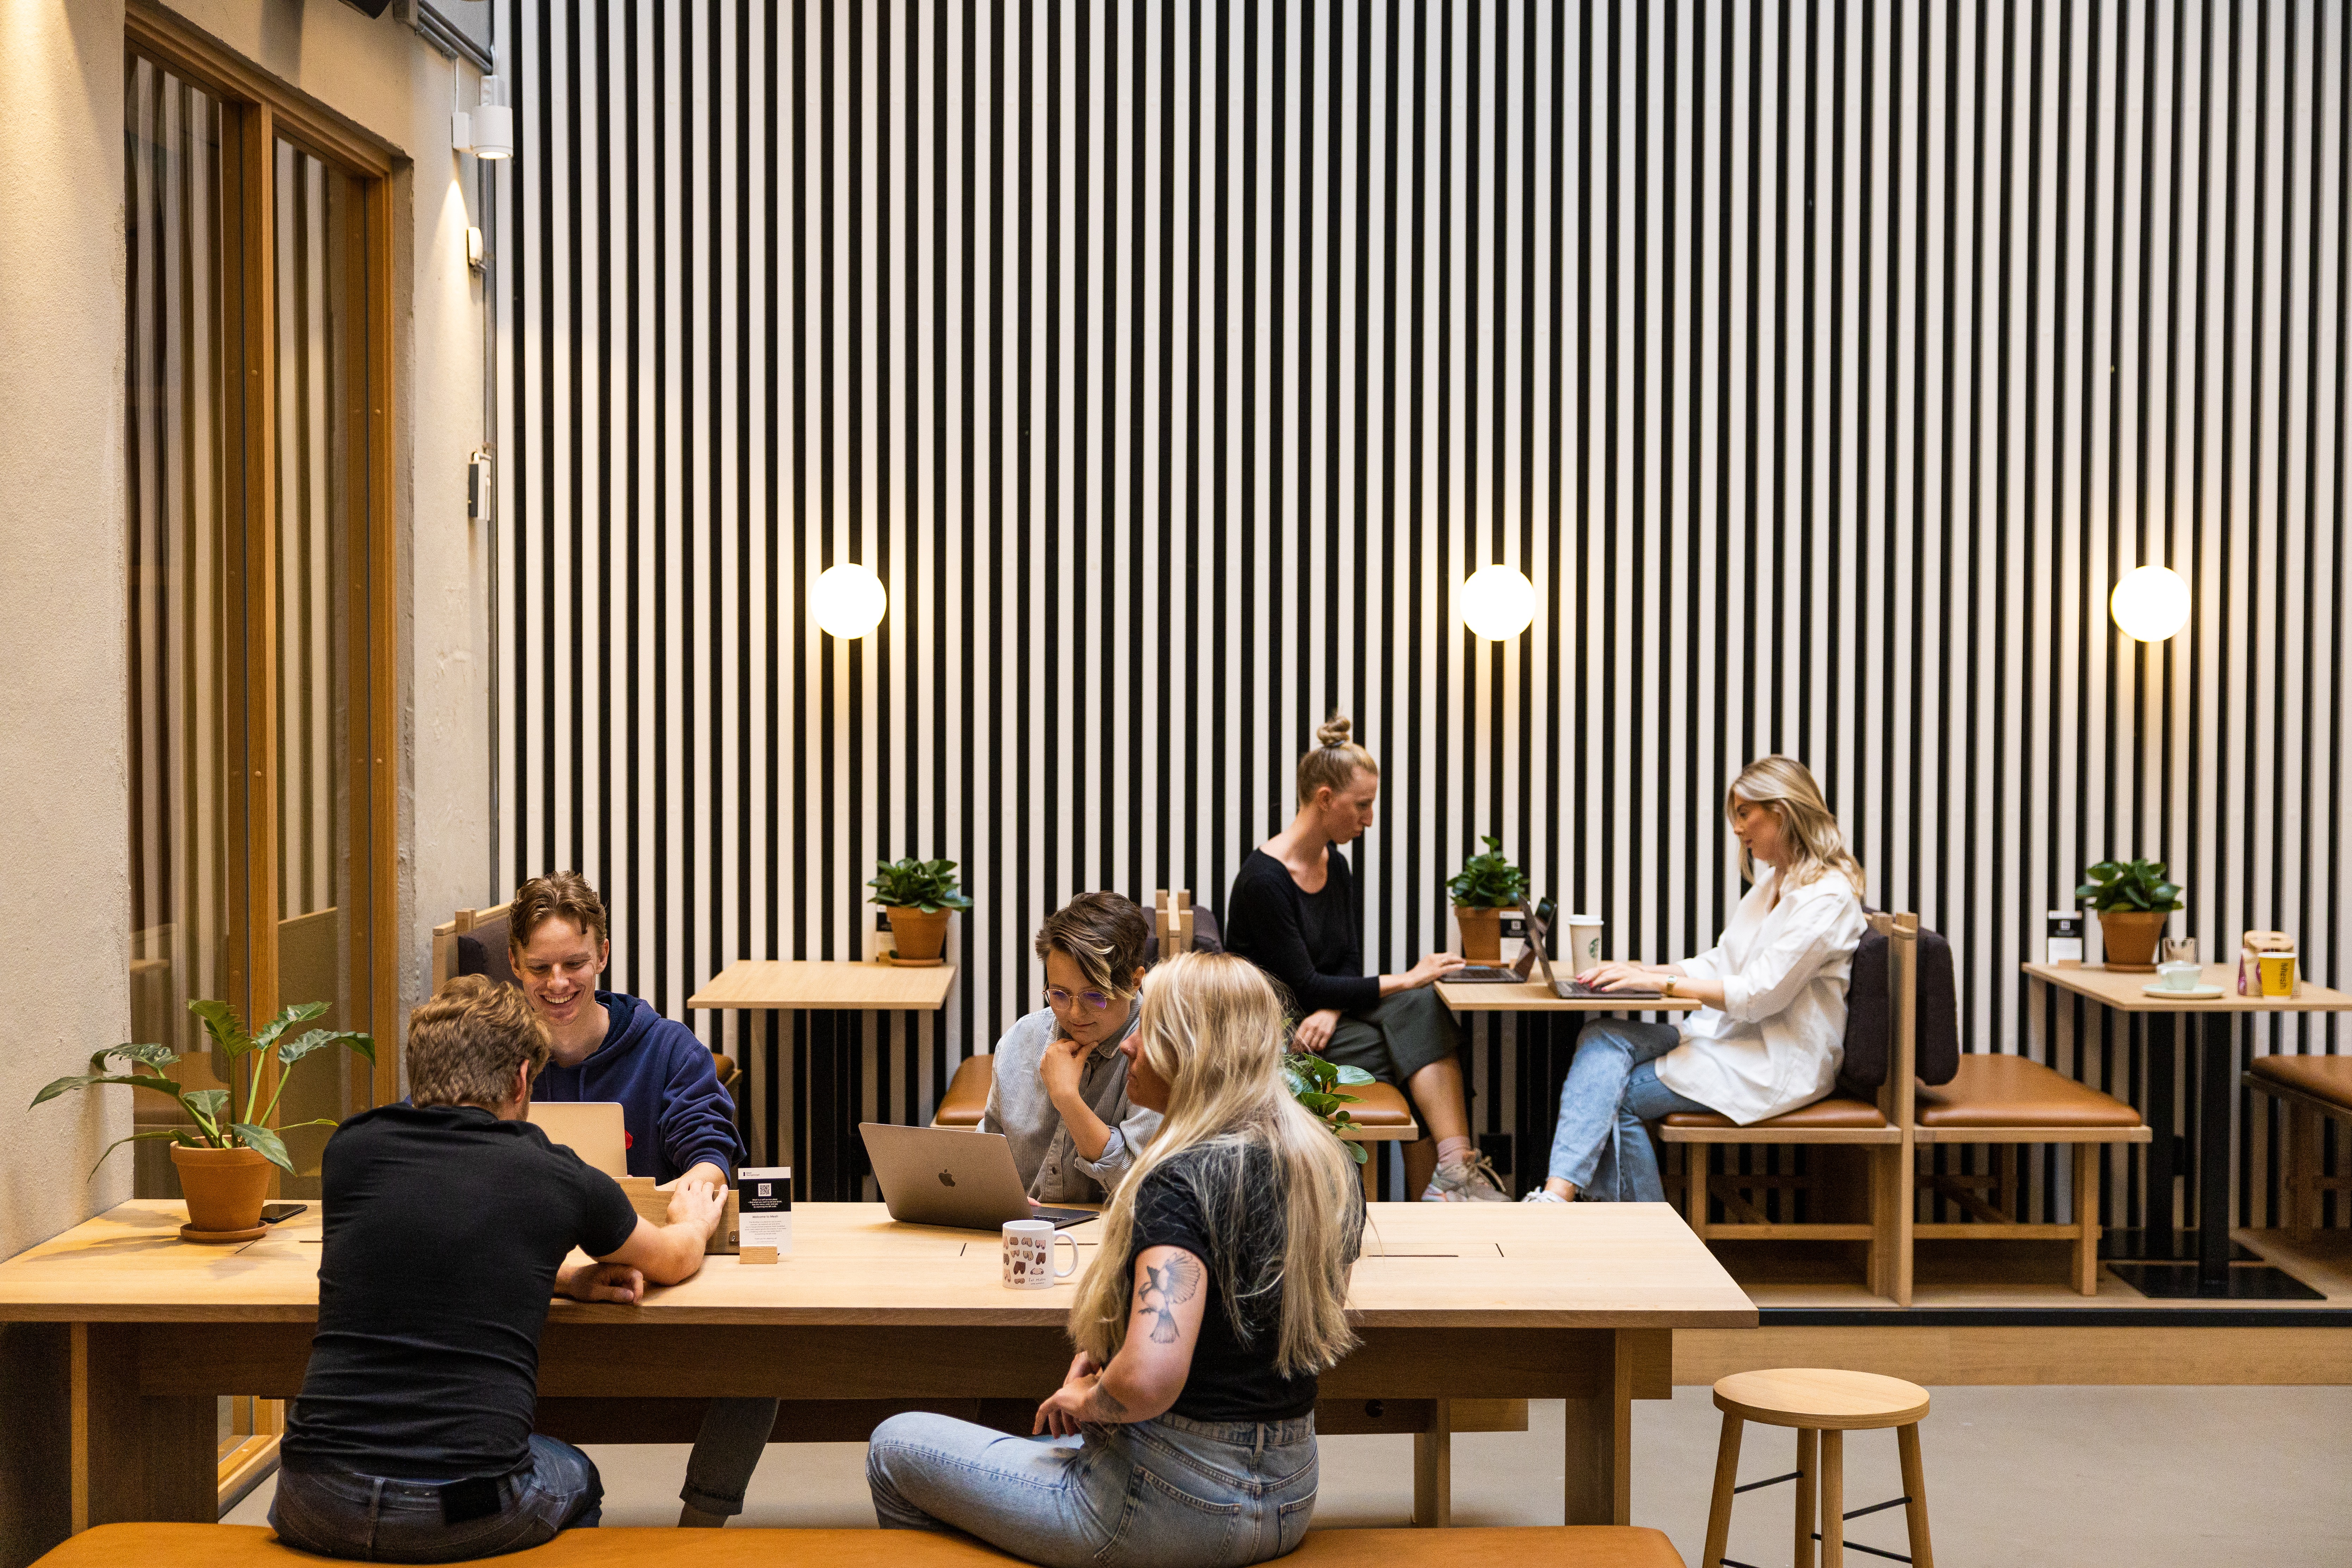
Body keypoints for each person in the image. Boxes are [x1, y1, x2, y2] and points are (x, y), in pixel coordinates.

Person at [867, 952, 1362, 1568]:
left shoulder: (1178, 1181)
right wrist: (1112, 1352)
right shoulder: (1322, 1166)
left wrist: (1095, 1397)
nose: (1129, 1047)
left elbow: (1150, 1379)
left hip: (1168, 1503)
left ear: (1190, 1050)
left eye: (1148, 1032)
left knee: (894, 1446)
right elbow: (1251, 1325)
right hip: (1289, 1495)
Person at [271, 977, 723, 1563]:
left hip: (312, 1496)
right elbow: (671, 1261)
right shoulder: (555, 1175)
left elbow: (423, 1252)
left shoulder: (352, 1150)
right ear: (519, 1079)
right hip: (460, 1510)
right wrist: (695, 1220)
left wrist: (559, 1278)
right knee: (576, 1474)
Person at [505, 871, 765, 1528]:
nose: (558, 983)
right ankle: (527, 1503)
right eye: (540, 967)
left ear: (605, 955)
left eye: (575, 963)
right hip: (534, 1285)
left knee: (766, 1352)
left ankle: (702, 1523)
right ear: (513, 963)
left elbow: (708, 1140)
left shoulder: (665, 1045)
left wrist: (705, 1174)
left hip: (645, 1279)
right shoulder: (497, 1054)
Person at [1525, 756, 1868, 1204]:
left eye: (1744, 814)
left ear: (1781, 812)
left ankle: (1646, 1241)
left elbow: (1757, 995)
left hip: (1775, 1061)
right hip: (1731, 1039)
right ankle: (1561, 1198)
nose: (1737, 828)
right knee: (1601, 1034)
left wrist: (1659, 986)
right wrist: (1643, 971)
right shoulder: (1775, 882)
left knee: (1618, 1096)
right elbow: (1722, 962)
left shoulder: (1826, 898)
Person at [1223, 714, 1506, 1202]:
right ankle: (1452, 1181)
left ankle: (1452, 1173)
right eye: (1363, 804)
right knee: (1418, 1046)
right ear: (1325, 799)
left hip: (1323, 1019)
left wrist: (1335, 1008)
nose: (1369, 818)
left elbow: (1346, 963)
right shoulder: (1263, 880)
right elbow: (1304, 984)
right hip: (1278, 1033)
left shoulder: (1337, 865)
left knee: (1423, 1007)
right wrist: (1407, 974)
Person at [980, 891, 1163, 1203]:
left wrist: (1068, 1099)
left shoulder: (1160, 1052)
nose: (1075, 1014)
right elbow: (986, 1155)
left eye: (1095, 996)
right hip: (1022, 1235)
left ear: (1135, 981)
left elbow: (1142, 1191)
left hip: (1113, 1239)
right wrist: (995, 1193)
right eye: (1060, 994)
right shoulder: (1020, 1039)